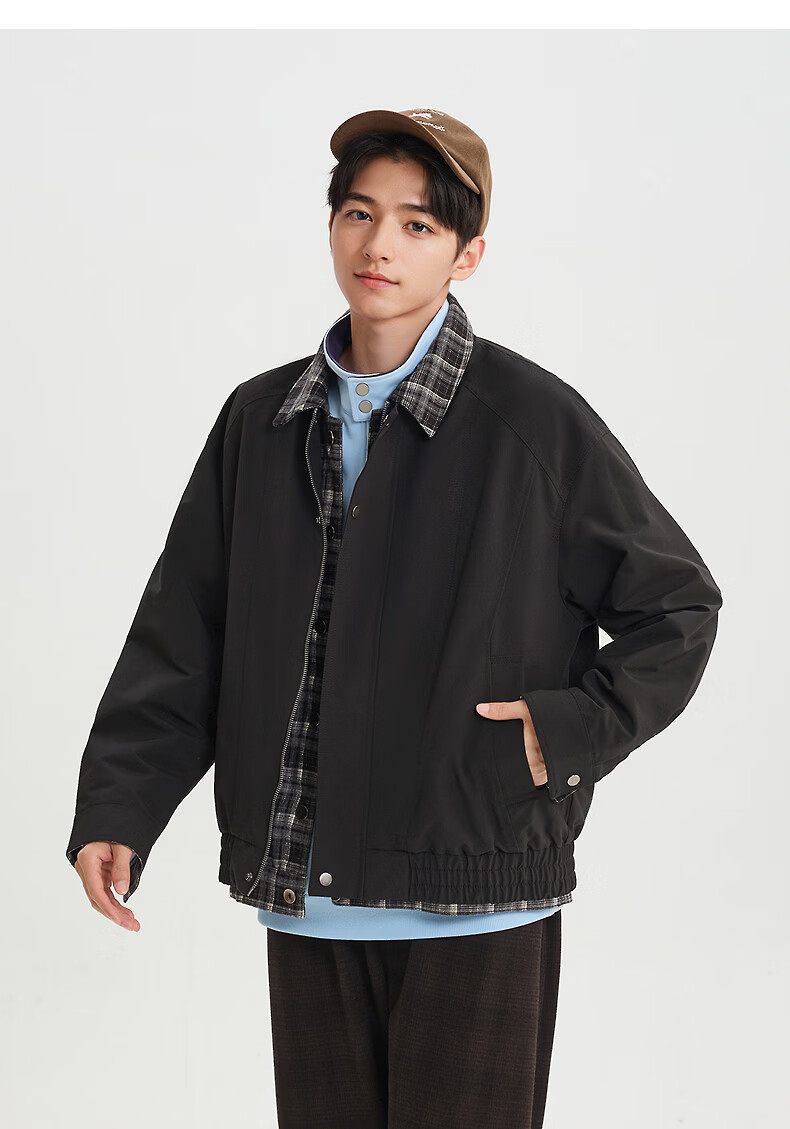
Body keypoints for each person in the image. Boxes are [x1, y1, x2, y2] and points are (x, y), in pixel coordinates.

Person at [66, 107, 723, 1127]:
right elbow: (186, 633)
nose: (380, 244)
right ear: (332, 226)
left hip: (476, 887)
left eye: (418, 224)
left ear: (468, 253)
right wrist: (120, 805)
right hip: (309, 895)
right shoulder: (259, 421)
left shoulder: (531, 422)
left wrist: (564, 732)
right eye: (359, 213)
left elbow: (676, 604)